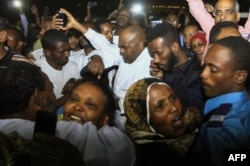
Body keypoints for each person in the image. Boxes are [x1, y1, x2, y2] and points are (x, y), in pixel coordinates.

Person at [0, 61, 136, 166]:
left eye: (91, 105)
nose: (78, 107)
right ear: (39, 97)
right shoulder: (69, 135)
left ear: (106, 118)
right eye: (73, 99)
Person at [194, 36, 250, 165]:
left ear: (240, 76)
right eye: (204, 66)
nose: (203, 74)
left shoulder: (219, 131)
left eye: (213, 70)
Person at [124, 77, 202, 165]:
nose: (174, 108)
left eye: (173, 98)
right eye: (160, 106)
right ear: (143, 120)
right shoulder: (151, 156)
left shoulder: (191, 123)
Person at [146, 23, 205, 112]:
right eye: (152, 55)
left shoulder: (196, 76)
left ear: (175, 47)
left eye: (159, 53)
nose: (156, 60)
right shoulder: (164, 69)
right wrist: (160, 80)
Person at [33, 29, 80, 108]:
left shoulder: (73, 67)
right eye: (62, 52)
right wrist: (69, 94)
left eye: (68, 50)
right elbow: (45, 109)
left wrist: (77, 84)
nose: (67, 54)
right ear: (48, 52)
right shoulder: (37, 71)